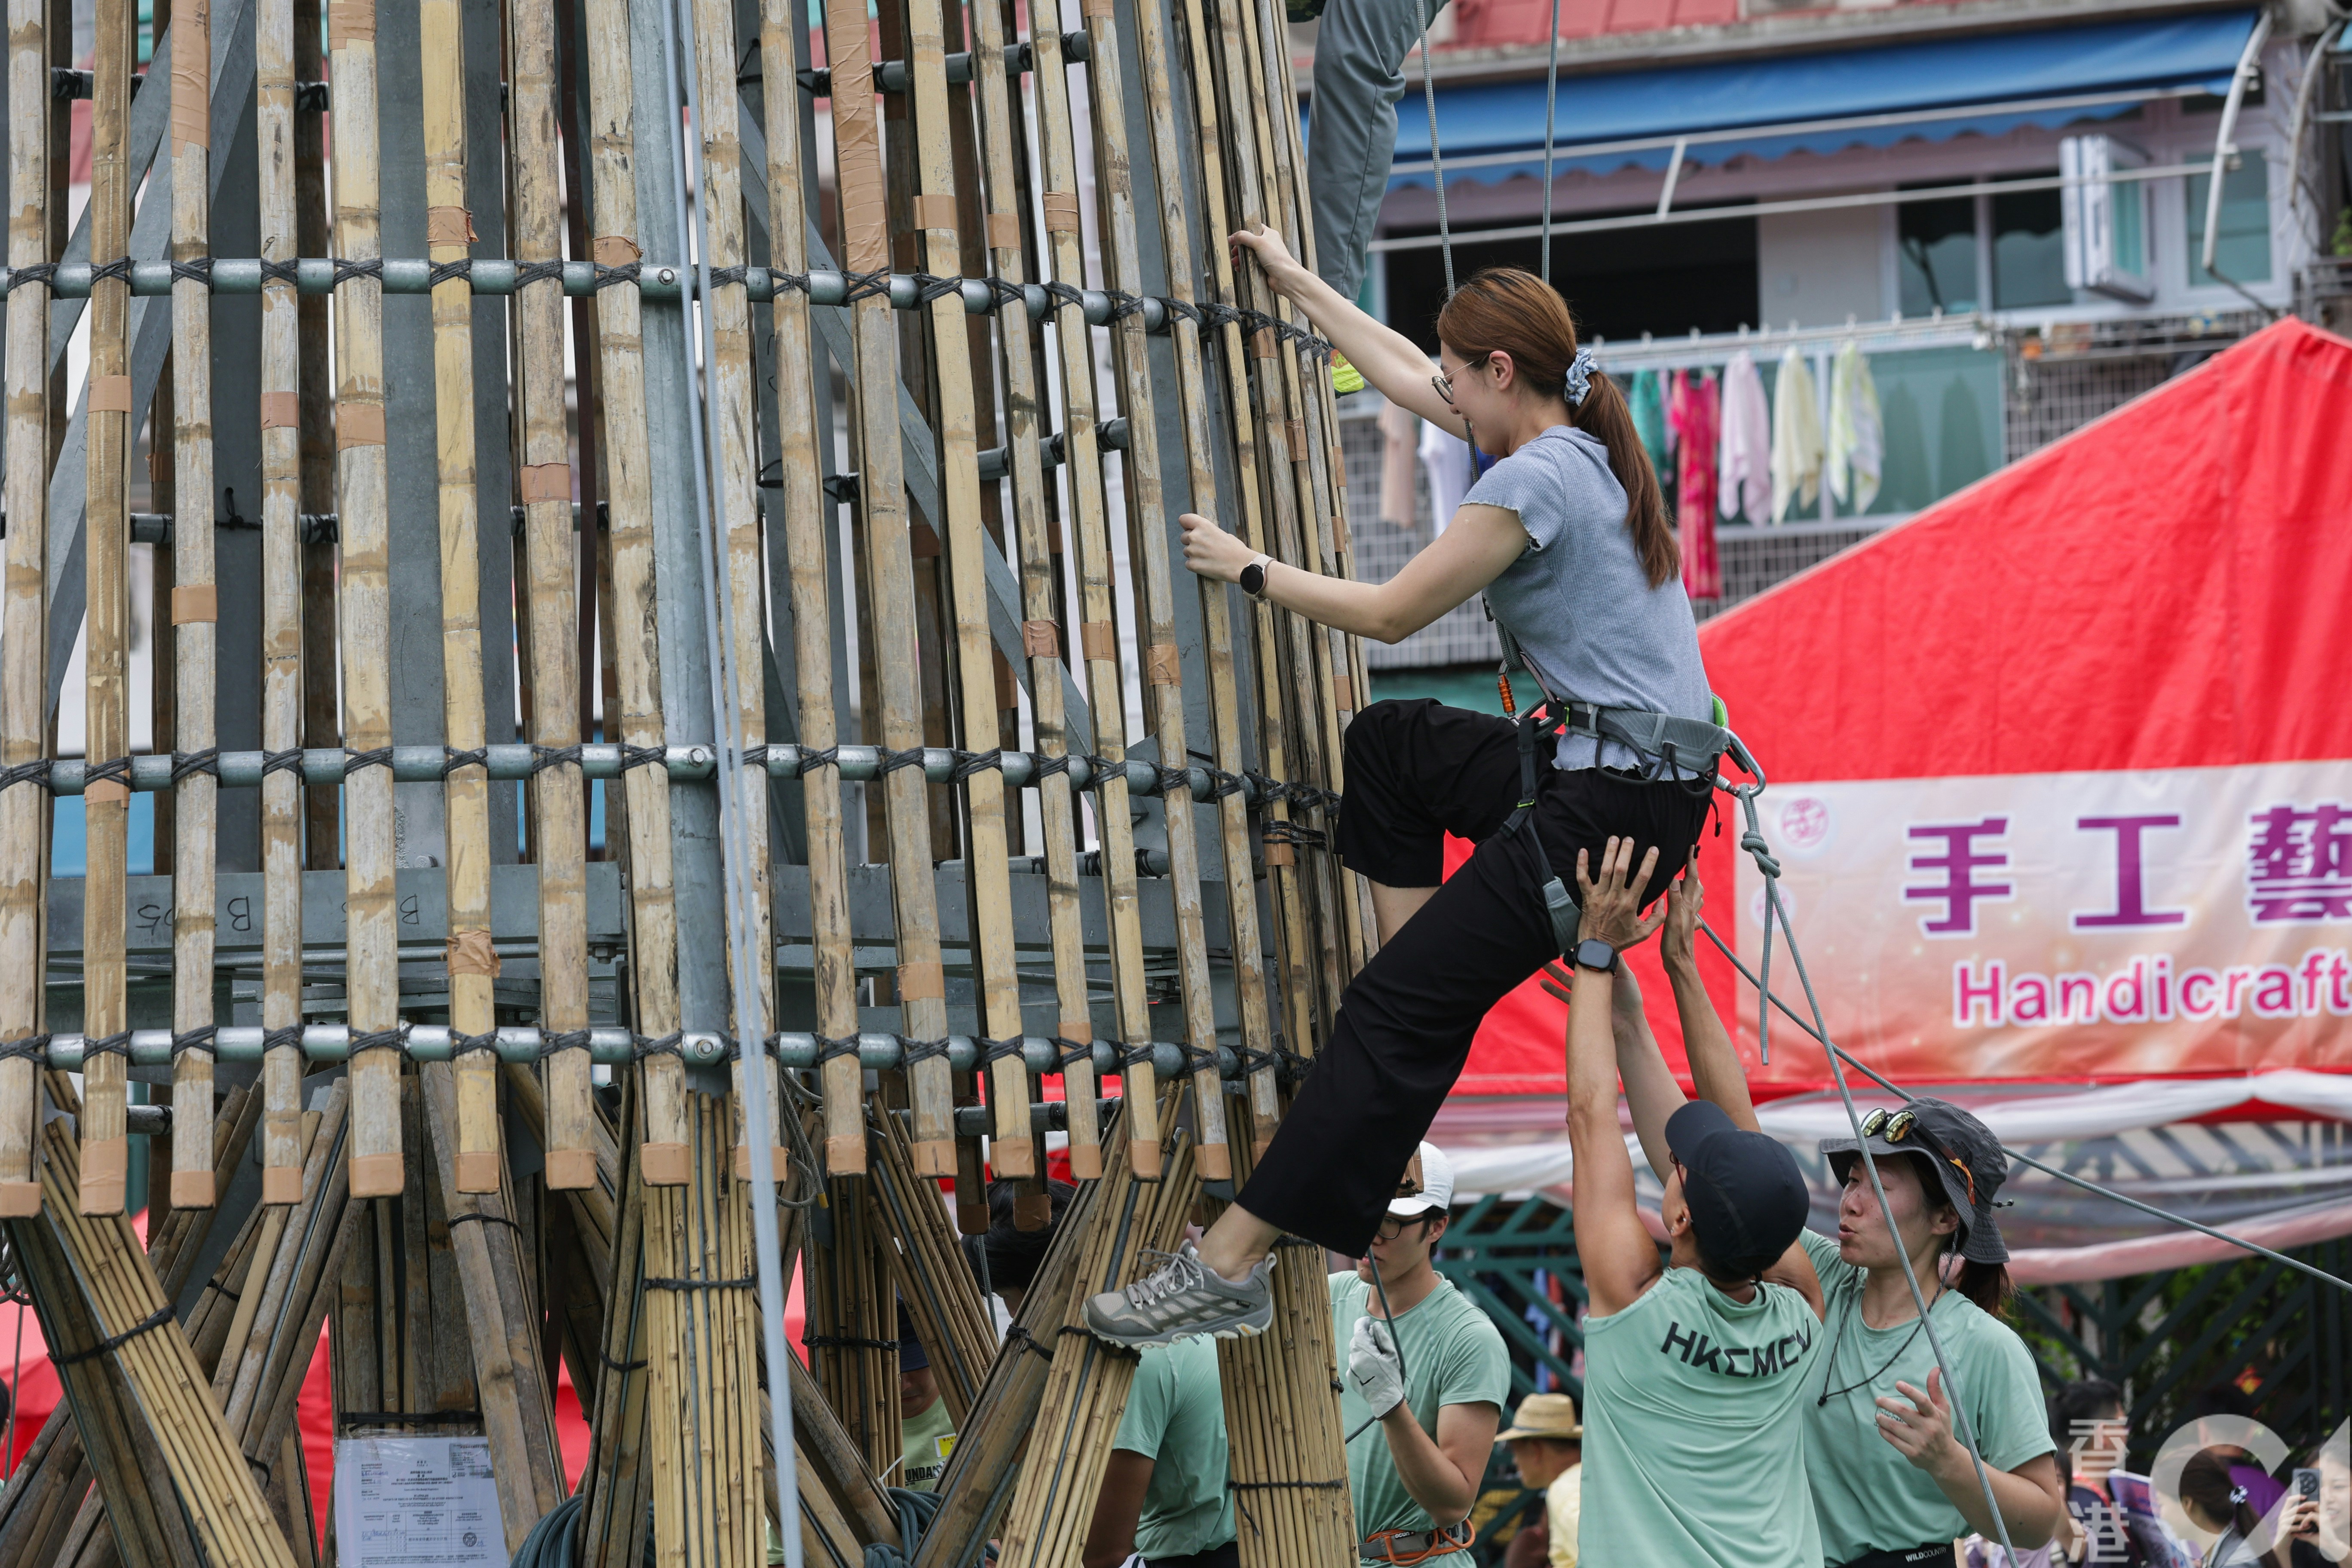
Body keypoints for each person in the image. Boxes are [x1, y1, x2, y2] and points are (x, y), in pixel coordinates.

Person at [1085, 238, 1717, 1350]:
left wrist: (1246, 566)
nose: (1445, 395)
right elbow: (1398, 369)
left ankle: (1226, 1266)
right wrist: (1296, 279)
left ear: (1502, 373)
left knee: (1391, 1016)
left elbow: (1390, 617)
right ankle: (1417, 982)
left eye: (1457, 376)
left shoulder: (1532, 480)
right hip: (1617, 778)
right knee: (1389, 745)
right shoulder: (1575, 439)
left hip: (1612, 811)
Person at [1560, 839, 1826, 1568]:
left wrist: (1594, 951)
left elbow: (1592, 1116)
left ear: (1679, 1218)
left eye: (1677, 1168)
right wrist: (1647, 999)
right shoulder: (1802, 1308)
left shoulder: (1639, 1306)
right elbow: (1744, 1160)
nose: (1670, 1160)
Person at [1333, 1139, 1508, 1568]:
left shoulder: (1468, 1337)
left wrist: (1392, 1406)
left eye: (1393, 1222)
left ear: (1437, 1228)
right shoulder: (1329, 1296)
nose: (1373, 1233)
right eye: (1369, 1211)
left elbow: (1453, 1505)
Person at [1080, 1329, 1238, 1568]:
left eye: (1007, 1299)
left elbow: (1103, 1553)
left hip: (1196, 1558)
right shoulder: (1216, 1331)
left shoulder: (1142, 1361)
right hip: (1263, 1543)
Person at [1495, 1392, 1583, 1568]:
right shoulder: (1582, 1480)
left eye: (1516, 1451)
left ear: (1536, 1449)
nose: (1515, 1461)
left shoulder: (1565, 1492)